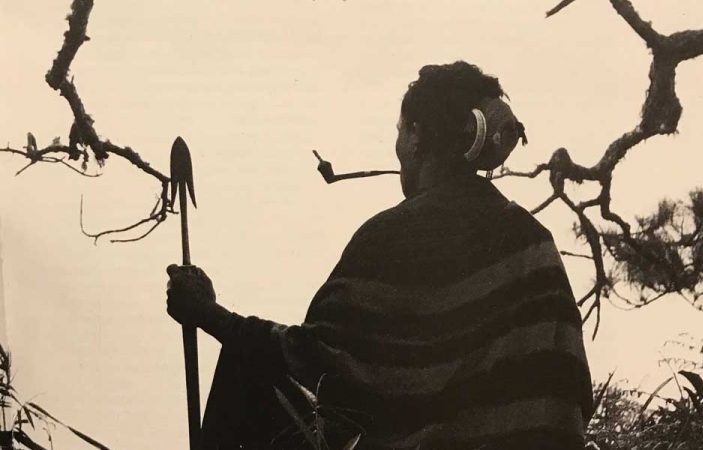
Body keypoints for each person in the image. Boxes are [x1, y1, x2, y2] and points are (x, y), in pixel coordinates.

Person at [166, 61, 593, 450]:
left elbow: (318, 365)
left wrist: (208, 314)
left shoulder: (394, 236)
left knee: (247, 359)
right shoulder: (534, 242)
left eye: (400, 129)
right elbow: (572, 388)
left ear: (416, 136)